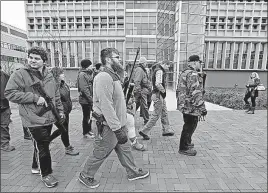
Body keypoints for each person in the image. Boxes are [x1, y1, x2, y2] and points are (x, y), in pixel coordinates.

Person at [79, 48, 149, 188]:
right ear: (109, 60)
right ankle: (86, 175)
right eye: (117, 57)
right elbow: (106, 106)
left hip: (118, 123)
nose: (120, 59)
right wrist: (117, 129)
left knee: (125, 149)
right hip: (108, 125)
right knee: (101, 151)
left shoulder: (113, 75)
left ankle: (133, 171)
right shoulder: (104, 77)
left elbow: (117, 99)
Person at [4, 46, 64, 188]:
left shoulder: (49, 75)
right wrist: (33, 97)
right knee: (43, 146)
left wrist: (60, 111)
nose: (32, 60)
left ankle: (35, 166)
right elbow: (9, 93)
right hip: (32, 118)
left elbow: (56, 96)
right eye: (30, 57)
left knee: (41, 145)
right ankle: (47, 174)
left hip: (49, 117)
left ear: (44, 61)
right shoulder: (20, 74)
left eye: (36, 58)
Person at [176, 55, 207, 156]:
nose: (200, 65)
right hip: (190, 105)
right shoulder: (193, 74)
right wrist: (202, 107)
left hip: (184, 103)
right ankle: (183, 147)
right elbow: (196, 92)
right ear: (194, 62)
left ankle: (187, 143)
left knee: (189, 124)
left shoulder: (185, 72)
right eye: (199, 63)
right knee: (190, 125)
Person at [139, 61, 174, 140]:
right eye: (168, 66)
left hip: (157, 94)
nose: (168, 68)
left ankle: (166, 129)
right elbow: (158, 83)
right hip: (158, 95)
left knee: (164, 111)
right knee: (156, 114)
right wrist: (163, 91)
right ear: (164, 64)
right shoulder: (159, 71)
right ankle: (144, 131)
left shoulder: (156, 69)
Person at [49, 67, 79, 156]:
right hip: (59, 112)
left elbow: (67, 97)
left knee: (64, 129)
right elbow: (54, 100)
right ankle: (67, 147)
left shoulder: (63, 84)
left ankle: (47, 141)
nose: (63, 75)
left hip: (66, 111)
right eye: (61, 73)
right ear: (56, 75)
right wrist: (59, 112)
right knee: (64, 130)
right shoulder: (53, 85)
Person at [77, 59, 94, 138]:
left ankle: (89, 130)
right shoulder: (82, 75)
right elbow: (84, 89)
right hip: (85, 100)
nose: (92, 66)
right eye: (90, 65)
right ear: (87, 66)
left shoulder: (87, 74)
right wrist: (91, 100)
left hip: (88, 99)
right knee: (86, 116)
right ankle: (86, 132)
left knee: (89, 116)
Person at [133, 57, 152, 125]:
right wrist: (138, 91)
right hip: (141, 90)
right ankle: (146, 120)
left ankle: (129, 116)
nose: (146, 64)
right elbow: (137, 81)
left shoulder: (141, 69)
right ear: (143, 63)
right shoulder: (140, 70)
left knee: (137, 105)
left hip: (142, 90)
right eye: (145, 63)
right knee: (144, 106)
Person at [0, 65, 15, 152]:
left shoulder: (5, 76)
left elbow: (12, 88)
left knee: (4, 126)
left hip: (4, 105)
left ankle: (4, 144)